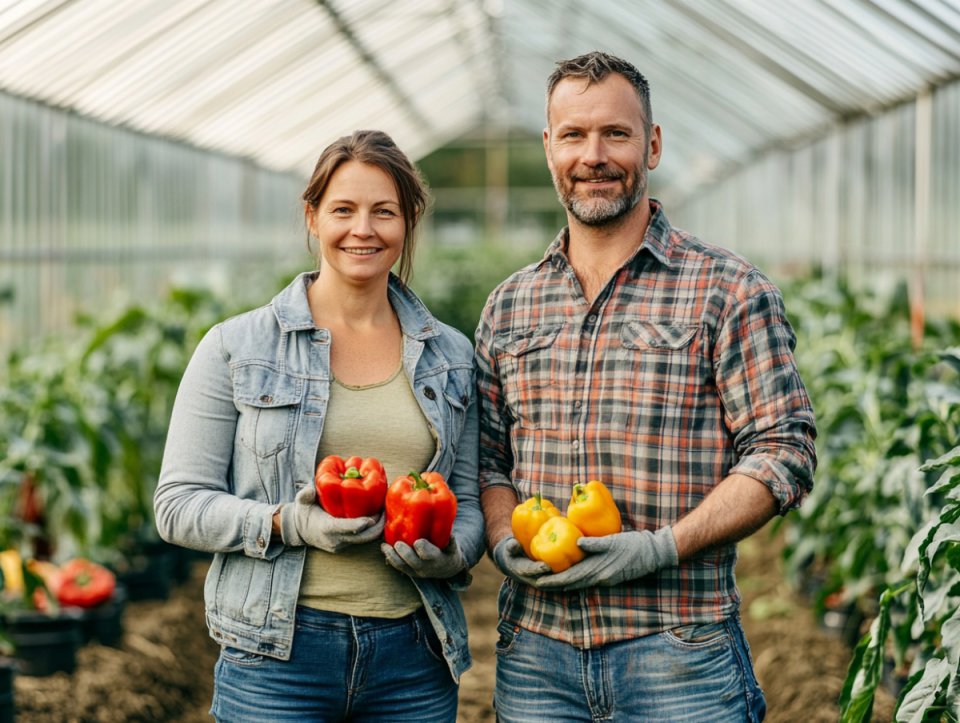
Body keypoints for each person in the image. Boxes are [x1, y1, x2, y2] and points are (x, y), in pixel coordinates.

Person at [474, 51, 817, 722]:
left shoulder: (727, 288)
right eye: (573, 135)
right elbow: (487, 459)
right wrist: (499, 537)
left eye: (616, 134)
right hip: (537, 653)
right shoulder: (508, 306)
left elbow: (784, 448)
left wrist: (662, 546)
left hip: (680, 649)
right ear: (549, 148)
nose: (593, 154)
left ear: (652, 144)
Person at [154, 129, 484, 722]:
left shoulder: (451, 356)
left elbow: (466, 501)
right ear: (312, 217)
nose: (364, 229)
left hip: (414, 656)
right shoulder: (236, 347)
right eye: (343, 210)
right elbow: (177, 505)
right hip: (276, 658)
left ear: (408, 222)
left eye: (384, 211)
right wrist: (288, 522)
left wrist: (451, 553)